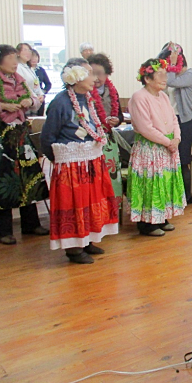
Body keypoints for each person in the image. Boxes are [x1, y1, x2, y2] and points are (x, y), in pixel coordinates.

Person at [41, 58, 118, 264]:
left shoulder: (89, 99)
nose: (95, 78)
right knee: (75, 204)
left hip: (91, 161)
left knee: (91, 202)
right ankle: (74, 249)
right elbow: (47, 138)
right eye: (90, 73)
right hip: (72, 166)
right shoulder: (60, 102)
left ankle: (88, 239)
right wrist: (64, 161)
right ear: (75, 77)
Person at [0, 44, 49, 245]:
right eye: (9, 58)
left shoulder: (20, 80)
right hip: (0, 137)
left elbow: (36, 100)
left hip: (21, 135)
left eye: (14, 58)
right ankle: (3, 230)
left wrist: (30, 102)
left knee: (28, 177)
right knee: (3, 180)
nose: (14, 62)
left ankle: (31, 224)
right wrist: (2, 105)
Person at [127, 58, 185, 236]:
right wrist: (168, 142)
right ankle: (147, 224)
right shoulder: (139, 97)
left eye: (165, 74)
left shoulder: (164, 96)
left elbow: (174, 119)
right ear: (147, 79)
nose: (165, 77)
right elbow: (145, 128)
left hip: (167, 148)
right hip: (150, 149)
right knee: (150, 183)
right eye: (160, 74)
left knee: (164, 183)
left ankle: (162, 217)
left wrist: (176, 138)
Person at [158, 42, 192, 205]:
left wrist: (173, 64)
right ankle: (170, 194)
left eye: (168, 64)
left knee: (182, 160)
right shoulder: (170, 74)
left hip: (183, 121)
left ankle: (186, 196)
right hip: (167, 120)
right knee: (167, 158)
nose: (166, 68)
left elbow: (171, 82)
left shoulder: (189, 76)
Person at [88, 53, 125, 208]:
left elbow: (120, 116)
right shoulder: (86, 91)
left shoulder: (112, 91)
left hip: (109, 140)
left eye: (100, 74)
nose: (96, 78)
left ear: (107, 73)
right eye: (92, 74)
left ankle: (112, 209)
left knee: (111, 176)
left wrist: (117, 121)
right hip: (92, 141)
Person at [15, 43, 45, 114]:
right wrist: (35, 97)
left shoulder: (30, 68)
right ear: (18, 53)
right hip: (27, 103)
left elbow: (36, 84)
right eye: (25, 50)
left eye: (29, 50)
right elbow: (23, 86)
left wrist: (41, 95)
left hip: (35, 102)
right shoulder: (18, 67)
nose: (28, 53)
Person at [29, 49, 51, 116]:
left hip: (40, 98)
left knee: (39, 118)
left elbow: (48, 84)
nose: (34, 59)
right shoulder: (26, 70)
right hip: (30, 97)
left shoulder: (41, 70)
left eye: (36, 57)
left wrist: (43, 93)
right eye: (32, 57)